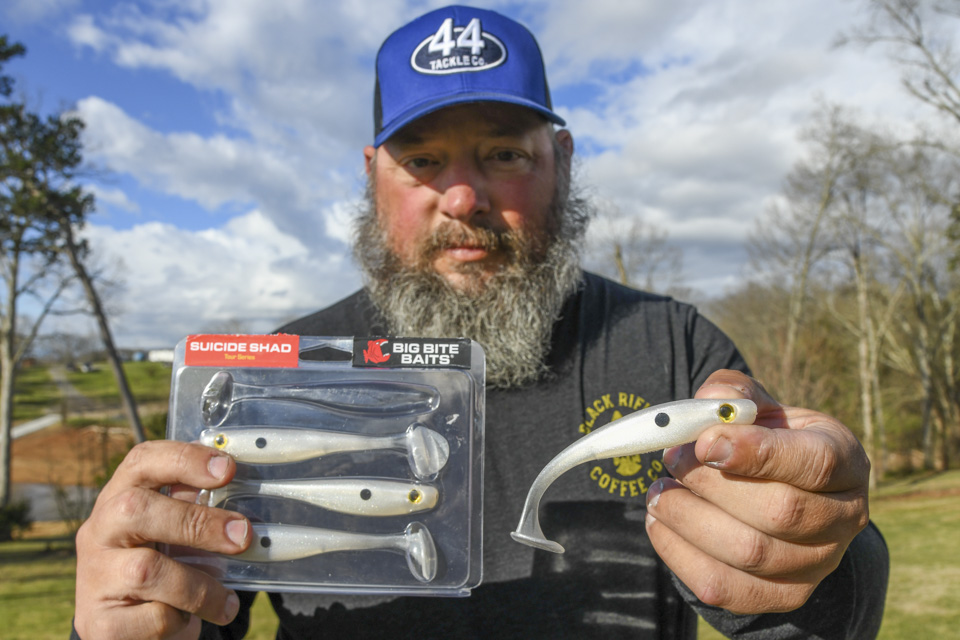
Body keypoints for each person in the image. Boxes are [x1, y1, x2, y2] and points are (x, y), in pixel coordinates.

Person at [72, 6, 889, 639]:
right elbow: (195, 613)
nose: (462, 198)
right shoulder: (270, 377)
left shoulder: (675, 350)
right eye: (422, 160)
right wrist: (122, 611)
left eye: (503, 153)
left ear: (561, 159)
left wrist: (823, 557)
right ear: (372, 174)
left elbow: (803, 612)